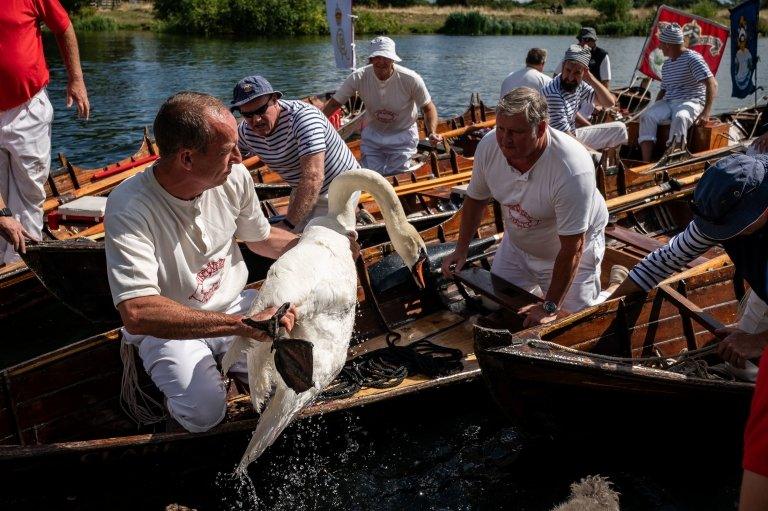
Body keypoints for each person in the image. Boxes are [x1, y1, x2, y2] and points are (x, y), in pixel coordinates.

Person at [105, 92, 300, 433]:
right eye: (227, 151)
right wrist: (240, 325)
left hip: (237, 306)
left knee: (298, 371)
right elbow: (136, 313)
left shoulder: (234, 178)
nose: (239, 158)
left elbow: (261, 239)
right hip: (170, 329)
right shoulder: (129, 205)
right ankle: (173, 401)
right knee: (204, 414)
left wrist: (318, 245)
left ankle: (232, 373)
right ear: (187, 159)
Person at [440, 88, 625, 327]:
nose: (505, 140)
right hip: (518, 243)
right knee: (491, 302)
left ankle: (616, 287)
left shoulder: (571, 168)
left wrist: (549, 306)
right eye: (501, 129)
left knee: (572, 321)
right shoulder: (489, 147)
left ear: (541, 128)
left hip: (567, 250)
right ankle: (540, 289)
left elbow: (573, 248)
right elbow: (475, 198)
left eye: (516, 132)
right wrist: (461, 249)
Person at [611, 154, 768, 372]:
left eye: (732, 229)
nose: (724, 236)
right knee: (744, 369)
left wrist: (759, 341)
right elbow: (665, 260)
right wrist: (609, 303)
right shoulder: (722, 208)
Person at [0, 0, 89, 265]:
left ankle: (22, 264)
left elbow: (63, 27)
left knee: (30, 193)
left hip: (27, 109)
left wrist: (76, 78)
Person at [233, 75, 358, 232]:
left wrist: (288, 225)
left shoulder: (304, 119)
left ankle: (356, 217)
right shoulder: (245, 131)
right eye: (248, 115)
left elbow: (313, 177)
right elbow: (226, 161)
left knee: (313, 236)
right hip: (301, 186)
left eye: (261, 110)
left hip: (340, 187)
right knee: (294, 231)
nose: (256, 120)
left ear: (275, 100)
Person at [322, 36, 443, 176]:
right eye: (377, 57)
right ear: (371, 59)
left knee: (397, 177)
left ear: (393, 59)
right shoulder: (359, 76)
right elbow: (334, 104)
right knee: (371, 177)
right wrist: (314, 125)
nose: (381, 62)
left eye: (386, 57)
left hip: (403, 136)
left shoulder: (411, 79)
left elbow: (428, 108)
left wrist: (432, 132)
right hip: (373, 135)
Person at [638, 23, 718, 162]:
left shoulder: (693, 58)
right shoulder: (668, 64)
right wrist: (656, 107)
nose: (660, 47)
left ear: (668, 44)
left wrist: (706, 112)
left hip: (692, 101)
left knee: (681, 117)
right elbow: (663, 89)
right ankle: (646, 162)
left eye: (661, 44)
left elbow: (712, 84)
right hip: (669, 101)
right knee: (647, 117)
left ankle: (674, 160)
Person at [541, 45, 627, 152]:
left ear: (584, 72)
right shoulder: (553, 93)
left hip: (571, 135)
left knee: (620, 129)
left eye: (577, 72)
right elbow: (565, 136)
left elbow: (609, 103)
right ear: (563, 67)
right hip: (555, 144)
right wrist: (593, 153)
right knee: (595, 156)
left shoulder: (579, 84)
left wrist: (590, 78)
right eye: (568, 70)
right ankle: (599, 163)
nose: (571, 77)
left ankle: (607, 161)